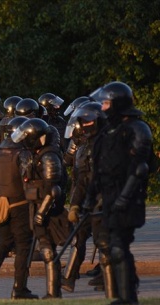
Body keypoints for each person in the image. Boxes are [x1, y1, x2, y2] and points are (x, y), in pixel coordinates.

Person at [84, 81, 153, 305]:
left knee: (118, 246)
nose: (103, 108)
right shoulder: (107, 132)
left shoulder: (136, 128)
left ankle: (127, 297)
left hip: (128, 199)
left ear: (117, 103)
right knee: (116, 247)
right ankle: (127, 294)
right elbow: (98, 168)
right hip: (109, 197)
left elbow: (140, 168)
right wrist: (88, 199)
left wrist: (124, 197)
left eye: (106, 103)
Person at [0, 117, 38, 300]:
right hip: (20, 205)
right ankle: (19, 288)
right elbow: (28, 179)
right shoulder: (22, 154)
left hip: (2, 204)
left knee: (3, 243)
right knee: (23, 246)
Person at [11, 118, 68, 299]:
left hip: (48, 212)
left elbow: (54, 189)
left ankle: (53, 292)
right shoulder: (36, 153)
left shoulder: (49, 156)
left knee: (48, 250)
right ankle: (39, 290)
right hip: (35, 207)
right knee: (44, 248)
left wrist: (41, 213)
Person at [61, 102, 107, 293]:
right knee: (77, 238)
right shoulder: (84, 148)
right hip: (88, 201)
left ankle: (108, 278)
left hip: (106, 202)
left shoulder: (111, 146)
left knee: (104, 241)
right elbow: (80, 181)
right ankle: (68, 277)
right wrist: (75, 205)